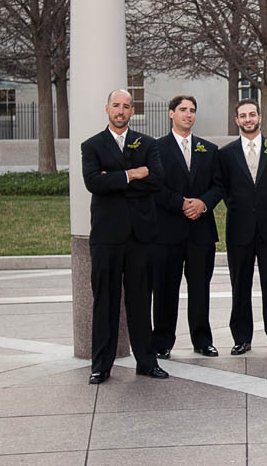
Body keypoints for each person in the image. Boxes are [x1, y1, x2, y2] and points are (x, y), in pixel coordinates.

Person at [81, 89, 168, 384]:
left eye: (126, 106)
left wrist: (114, 179)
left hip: (140, 235)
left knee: (141, 300)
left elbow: (156, 181)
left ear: (132, 111)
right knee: (104, 301)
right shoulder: (91, 145)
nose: (121, 110)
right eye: (116, 105)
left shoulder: (148, 144)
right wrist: (132, 175)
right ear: (107, 109)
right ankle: (100, 366)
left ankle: (147, 361)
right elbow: (94, 183)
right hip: (106, 236)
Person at [216, 98, 267, 357]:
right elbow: (224, 189)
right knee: (240, 285)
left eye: (252, 114)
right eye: (243, 116)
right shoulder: (225, 154)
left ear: (259, 117)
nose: (248, 119)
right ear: (236, 120)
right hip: (239, 229)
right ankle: (241, 338)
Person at [152, 95, 222, 360]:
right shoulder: (156, 148)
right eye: (183, 110)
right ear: (171, 113)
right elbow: (155, 186)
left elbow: (218, 185)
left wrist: (202, 203)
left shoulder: (209, 149)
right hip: (168, 231)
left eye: (192, 110)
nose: (188, 114)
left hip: (200, 231)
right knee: (165, 289)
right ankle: (162, 341)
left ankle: (202, 340)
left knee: (200, 289)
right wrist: (181, 204)